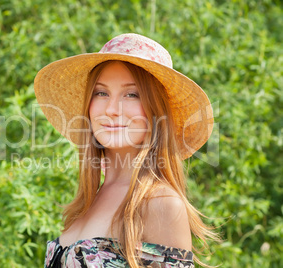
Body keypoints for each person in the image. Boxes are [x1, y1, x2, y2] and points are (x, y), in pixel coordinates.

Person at [34, 33, 218, 267]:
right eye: (101, 93)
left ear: (155, 111)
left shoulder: (160, 203)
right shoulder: (86, 203)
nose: (111, 109)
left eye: (131, 94)